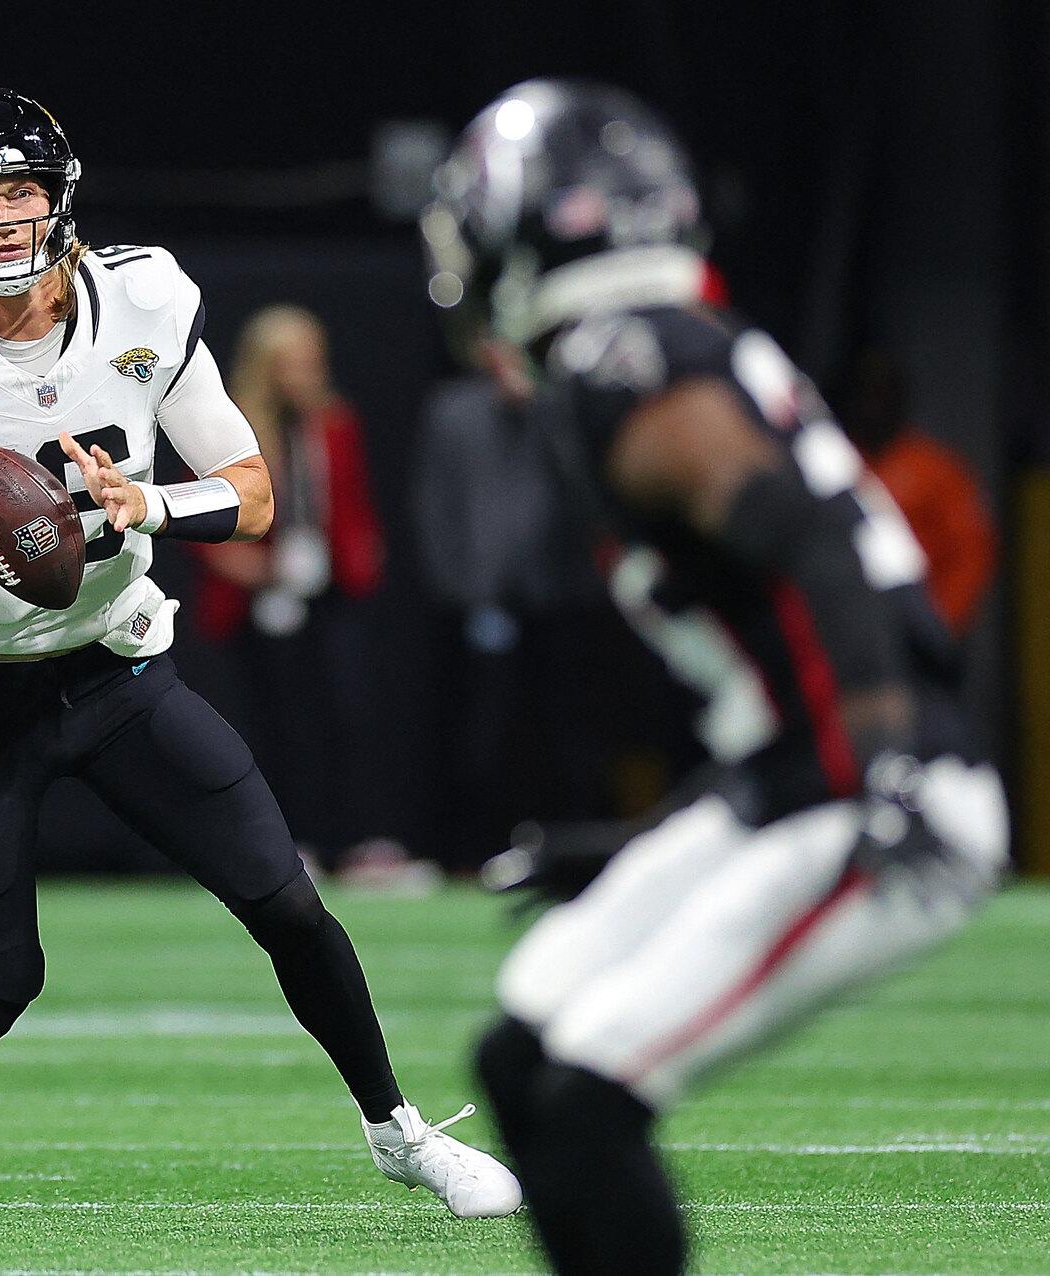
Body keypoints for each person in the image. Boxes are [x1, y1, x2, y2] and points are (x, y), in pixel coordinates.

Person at [0, 87, 520, 1219]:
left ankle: (396, 1131)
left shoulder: (142, 297)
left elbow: (248, 499)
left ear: (57, 196)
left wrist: (144, 503)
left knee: (285, 902)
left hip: (116, 667)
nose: (1, 216)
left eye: (18, 189)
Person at [420, 81, 1008, 1274]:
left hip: (875, 791)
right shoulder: (649, 345)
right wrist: (646, 834)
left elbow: (805, 538)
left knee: (589, 1090)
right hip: (795, 774)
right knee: (519, 1052)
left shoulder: (613, 358)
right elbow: (777, 660)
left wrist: (885, 765)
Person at [190, 304, 386, 863]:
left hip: (328, 594)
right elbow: (206, 516)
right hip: (255, 601)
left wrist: (355, 559)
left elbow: (351, 508)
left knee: (342, 715)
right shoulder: (234, 430)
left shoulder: (334, 424)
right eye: (289, 364)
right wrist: (260, 571)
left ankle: (350, 839)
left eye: (310, 362)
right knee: (273, 723)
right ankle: (282, 842)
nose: (302, 376)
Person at [835, 345, 997, 635]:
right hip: (847, 628)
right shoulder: (830, 464)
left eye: (880, 395)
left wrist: (939, 623)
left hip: (919, 628)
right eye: (864, 396)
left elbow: (971, 552)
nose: (872, 407)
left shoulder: (936, 469)